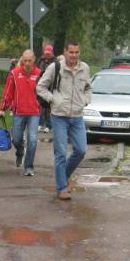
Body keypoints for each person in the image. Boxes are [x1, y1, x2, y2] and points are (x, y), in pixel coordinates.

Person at [36, 41, 92, 200]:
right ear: (65, 52)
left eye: (77, 52)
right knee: (60, 152)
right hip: (59, 116)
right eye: (71, 52)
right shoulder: (55, 68)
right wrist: (53, 99)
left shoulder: (84, 68)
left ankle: (63, 176)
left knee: (81, 150)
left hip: (77, 116)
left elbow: (88, 88)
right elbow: (40, 87)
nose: (74, 55)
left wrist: (86, 100)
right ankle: (62, 188)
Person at [0, 49, 41, 177]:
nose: (27, 63)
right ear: (22, 60)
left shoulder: (39, 74)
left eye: (29, 61)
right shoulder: (15, 74)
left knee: (32, 140)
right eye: (25, 60)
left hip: (34, 112)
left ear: (34, 60)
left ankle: (28, 166)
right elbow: (8, 92)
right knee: (16, 139)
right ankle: (20, 151)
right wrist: (3, 108)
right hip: (19, 112)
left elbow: (44, 92)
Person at [36, 45, 56, 132]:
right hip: (41, 84)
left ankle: (49, 125)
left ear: (52, 53)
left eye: (49, 53)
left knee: (48, 107)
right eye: (46, 53)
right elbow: (37, 70)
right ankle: (40, 124)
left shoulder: (55, 61)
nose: (47, 55)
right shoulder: (40, 60)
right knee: (41, 105)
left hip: (50, 86)